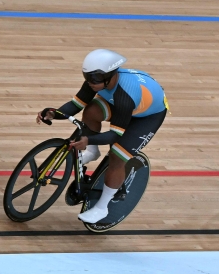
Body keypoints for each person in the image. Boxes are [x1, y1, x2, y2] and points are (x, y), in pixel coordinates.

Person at [36, 49, 168, 224]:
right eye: (87, 77)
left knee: (117, 155)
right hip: (123, 104)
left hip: (146, 117)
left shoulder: (124, 96)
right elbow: (76, 105)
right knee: (91, 111)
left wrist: (88, 139)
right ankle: (92, 152)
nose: (91, 83)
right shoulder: (95, 82)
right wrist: (54, 114)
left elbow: (114, 135)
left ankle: (102, 207)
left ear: (110, 76)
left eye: (95, 79)